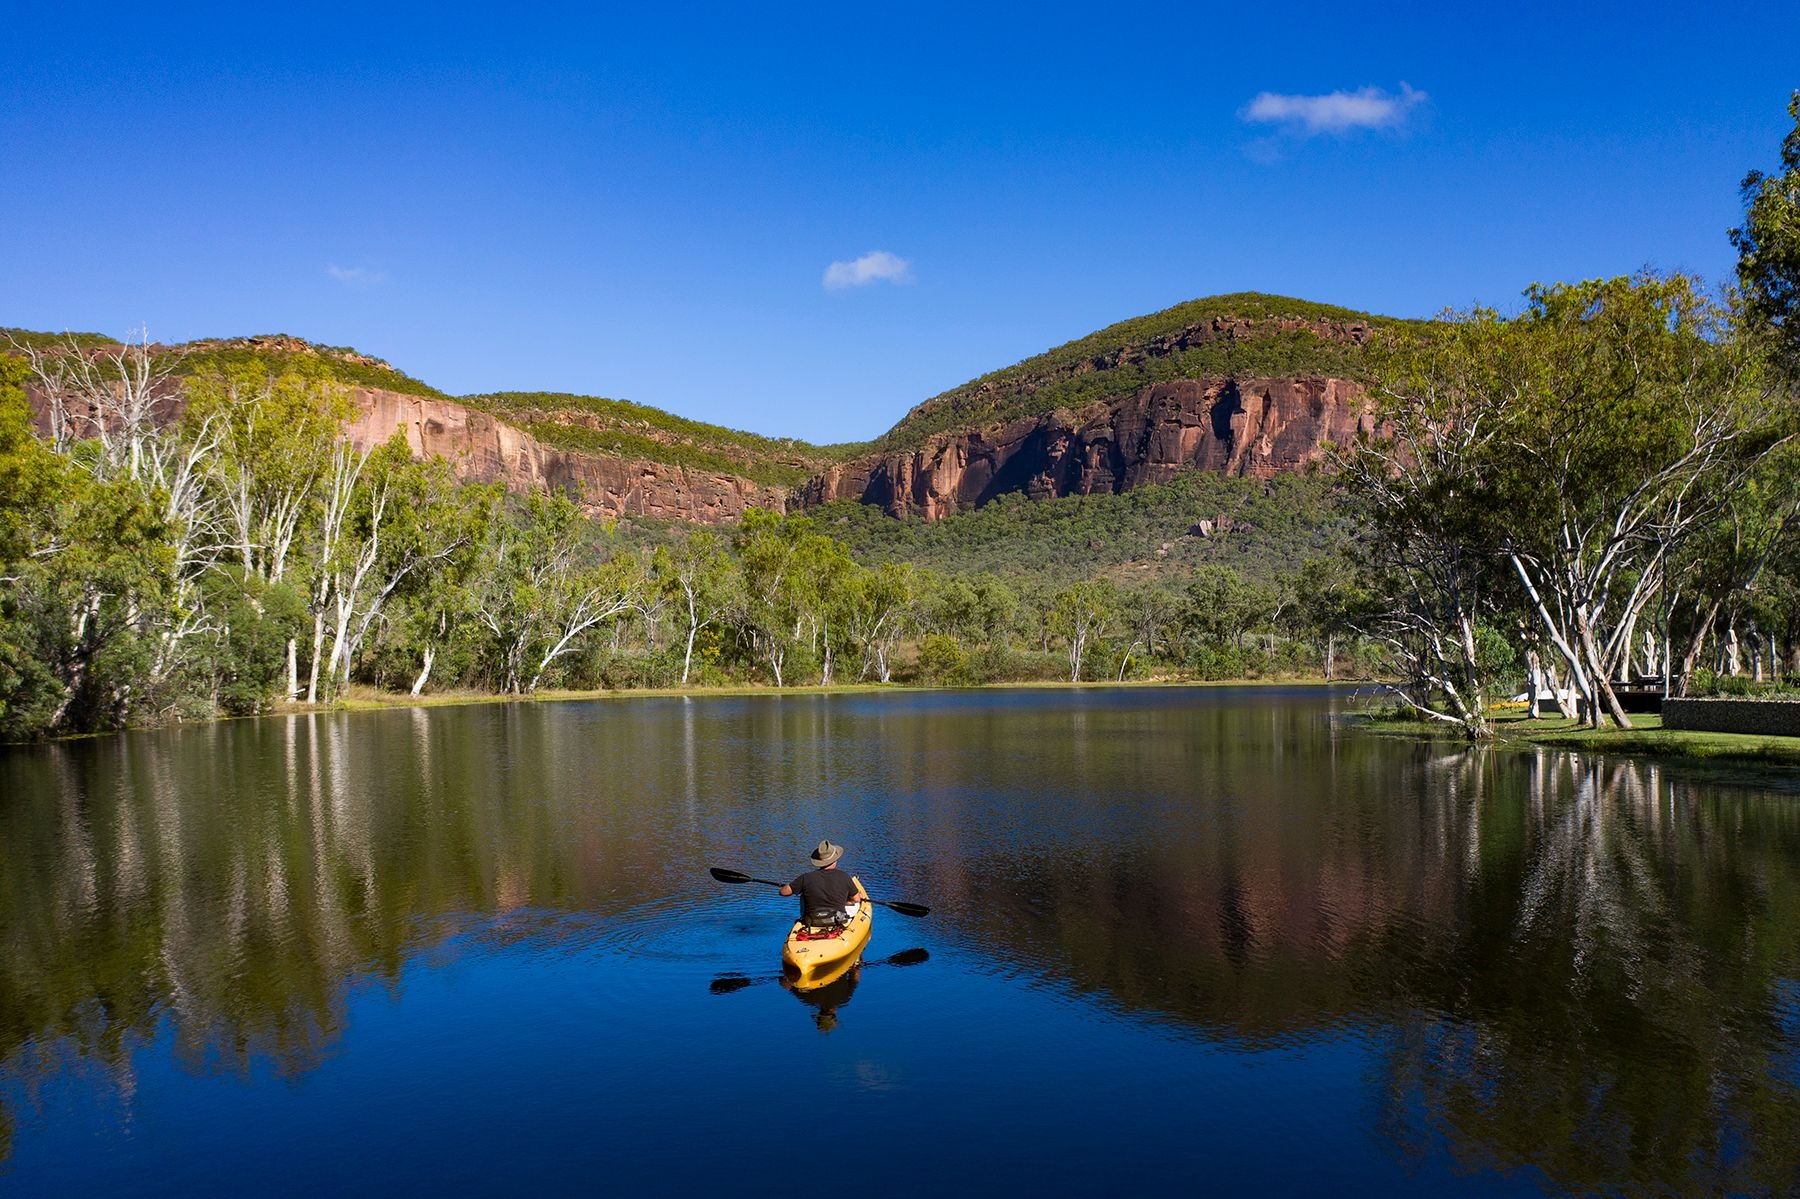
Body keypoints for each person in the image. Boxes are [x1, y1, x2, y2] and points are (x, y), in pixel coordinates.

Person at [779, 839, 866, 925]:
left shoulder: (805, 878)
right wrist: (845, 901)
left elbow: (783, 892)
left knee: (803, 895)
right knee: (857, 903)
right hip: (836, 919)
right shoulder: (844, 876)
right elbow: (856, 899)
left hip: (811, 921)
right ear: (835, 860)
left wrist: (790, 886)